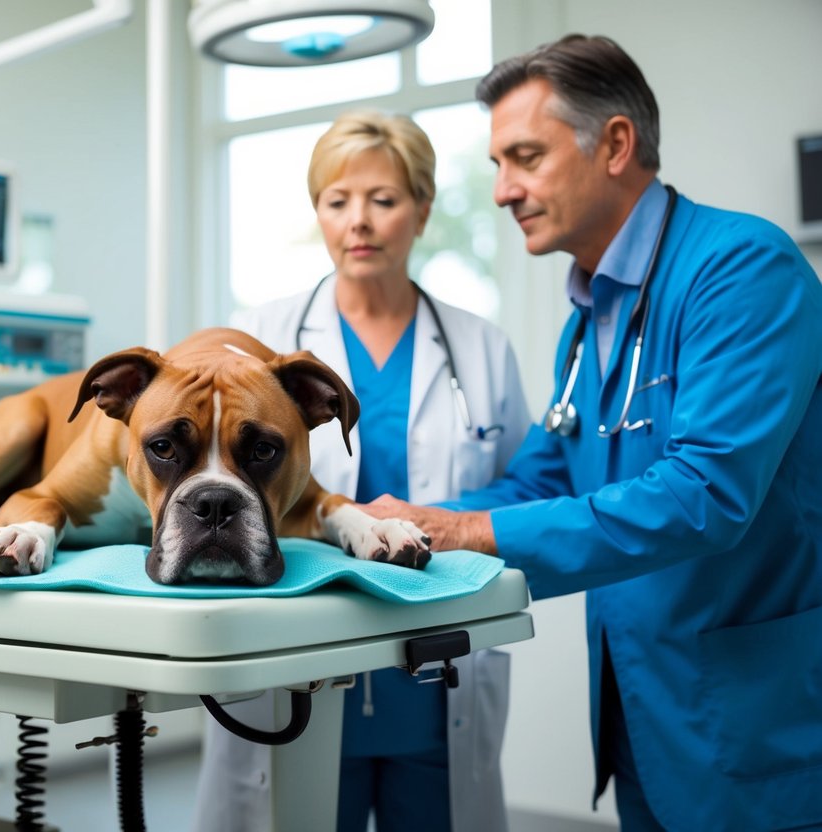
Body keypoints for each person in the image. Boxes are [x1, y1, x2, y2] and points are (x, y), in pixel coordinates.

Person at [362, 35, 822, 832]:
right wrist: (401, 527)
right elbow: (539, 479)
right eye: (499, 164)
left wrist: (467, 529)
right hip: (641, 714)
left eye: (524, 157)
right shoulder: (589, 320)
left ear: (614, 144)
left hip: (752, 722)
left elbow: (704, 494)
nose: (503, 190)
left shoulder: (742, 268)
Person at [192, 110, 531, 832]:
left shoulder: (481, 346)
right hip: (296, 661)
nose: (359, 222)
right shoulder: (260, 341)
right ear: (317, 211)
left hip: (436, 673)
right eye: (336, 201)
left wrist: (434, 523)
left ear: (421, 208)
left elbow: (518, 487)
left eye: (383, 200)